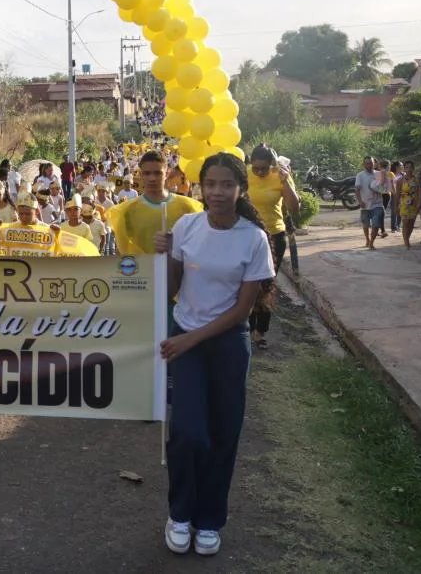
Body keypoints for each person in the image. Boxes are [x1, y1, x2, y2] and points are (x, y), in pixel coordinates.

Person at [153, 152, 275, 557]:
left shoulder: (253, 239)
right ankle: (180, 514)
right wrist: (164, 256)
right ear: (200, 187)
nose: (218, 192)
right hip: (184, 339)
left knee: (223, 434)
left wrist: (190, 339)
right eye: (211, 184)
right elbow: (172, 286)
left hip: (226, 344)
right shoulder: (187, 225)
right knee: (189, 432)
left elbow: (243, 309)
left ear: (240, 189)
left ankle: (209, 520)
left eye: (227, 185)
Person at [246, 145, 300, 349]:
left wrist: (286, 181)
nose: (259, 173)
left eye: (264, 169)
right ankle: (247, 327)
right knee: (247, 282)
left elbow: (294, 207)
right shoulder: (244, 175)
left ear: (272, 165)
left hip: (274, 237)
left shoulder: (280, 176)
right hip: (247, 236)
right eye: (255, 168)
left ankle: (261, 331)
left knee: (266, 284)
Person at [109, 151, 203, 256]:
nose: (152, 178)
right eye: (147, 173)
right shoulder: (127, 211)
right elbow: (122, 252)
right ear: (140, 174)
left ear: (167, 173)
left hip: (178, 270)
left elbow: (198, 247)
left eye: (157, 173)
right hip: (143, 270)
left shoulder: (187, 207)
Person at [354, 156, 386, 250]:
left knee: (376, 224)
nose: (369, 165)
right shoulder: (360, 175)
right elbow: (357, 190)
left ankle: (371, 243)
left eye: (371, 163)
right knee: (366, 225)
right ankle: (367, 239)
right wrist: (360, 201)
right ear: (364, 164)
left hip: (377, 204)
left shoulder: (379, 174)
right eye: (367, 163)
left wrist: (382, 188)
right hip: (365, 204)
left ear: (374, 163)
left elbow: (384, 187)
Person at [398, 161, 420, 248]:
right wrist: (396, 205)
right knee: (405, 222)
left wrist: (419, 203)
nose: (409, 169)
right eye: (407, 167)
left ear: (413, 168)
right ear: (404, 169)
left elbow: (419, 192)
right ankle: (406, 240)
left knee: (411, 223)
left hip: (414, 203)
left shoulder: (416, 180)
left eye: (411, 167)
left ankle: (407, 237)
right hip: (403, 203)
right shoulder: (400, 180)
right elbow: (397, 194)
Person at [390, 161, 404, 233]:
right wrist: (395, 194)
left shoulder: (403, 174)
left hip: (402, 195)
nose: (402, 167)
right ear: (396, 167)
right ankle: (393, 227)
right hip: (394, 195)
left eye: (402, 165)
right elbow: (390, 185)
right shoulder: (392, 174)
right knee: (394, 211)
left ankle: (398, 225)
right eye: (400, 165)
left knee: (400, 211)